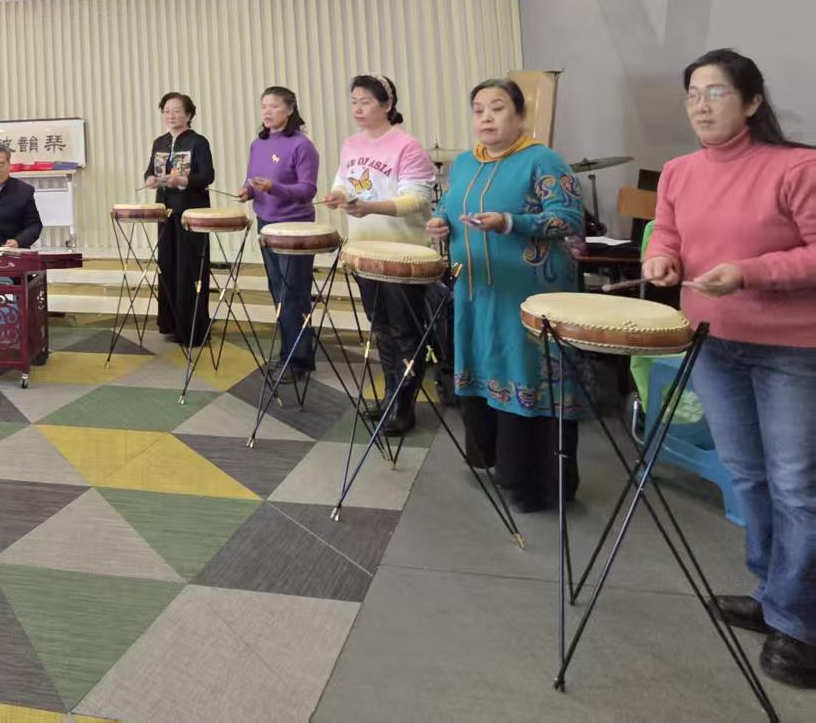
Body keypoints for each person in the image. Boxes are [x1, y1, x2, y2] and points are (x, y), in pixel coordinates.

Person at [641, 49, 816, 689]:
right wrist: (662, 260)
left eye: (715, 92)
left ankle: (800, 625)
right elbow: (667, 233)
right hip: (714, 342)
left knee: (796, 486)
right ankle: (773, 595)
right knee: (748, 475)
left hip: (791, 349)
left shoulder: (797, 166)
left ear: (752, 101)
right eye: (692, 93)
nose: (701, 105)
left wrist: (749, 272)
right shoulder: (679, 171)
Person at [427, 79, 584, 512]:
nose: (486, 118)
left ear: (520, 116)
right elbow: (447, 207)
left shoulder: (542, 160)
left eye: (497, 108)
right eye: (479, 110)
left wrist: (509, 222)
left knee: (524, 372)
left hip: (528, 296)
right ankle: (496, 462)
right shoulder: (464, 162)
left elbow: (568, 218)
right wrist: (439, 222)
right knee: (485, 364)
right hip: (475, 293)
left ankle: (532, 483)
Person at [320, 75, 437, 435]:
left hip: (402, 254)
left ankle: (405, 407)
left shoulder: (407, 146)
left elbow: (416, 199)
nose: (357, 108)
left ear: (387, 105)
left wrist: (370, 206)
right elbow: (343, 181)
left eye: (366, 101)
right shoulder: (351, 144)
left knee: (404, 330)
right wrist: (337, 196)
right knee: (381, 327)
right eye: (354, 101)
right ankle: (390, 397)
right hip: (365, 250)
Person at [239, 88, 321, 380]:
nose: (267, 111)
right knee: (277, 290)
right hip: (267, 224)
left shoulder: (302, 145)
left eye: (274, 106)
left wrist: (275, 188)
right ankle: (291, 350)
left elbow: (308, 190)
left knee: (293, 293)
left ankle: (297, 360)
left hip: (295, 227)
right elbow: (252, 179)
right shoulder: (258, 144)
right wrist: (247, 191)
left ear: (289, 110)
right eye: (264, 106)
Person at [144, 93, 214, 348]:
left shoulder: (198, 142)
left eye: (176, 111)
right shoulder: (160, 142)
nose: (171, 116)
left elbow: (207, 176)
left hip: (191, 212)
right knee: (168, 264)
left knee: (189, 266)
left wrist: (183, 180)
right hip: (165, 210)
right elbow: (150, 170)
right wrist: (150, 179)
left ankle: (193, 328)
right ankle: (171, 324)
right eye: (166, 111)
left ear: (189, 114)